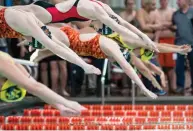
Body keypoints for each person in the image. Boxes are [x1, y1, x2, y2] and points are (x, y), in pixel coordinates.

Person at [29, 25, 191, 99]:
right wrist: (178, 49)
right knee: (67, 41)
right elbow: (156, 50)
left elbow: (147, 66)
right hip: (89, 40)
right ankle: (36, 44)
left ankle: (36, 46)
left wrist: (159, 76)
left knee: (63, 45)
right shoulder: (132, 43)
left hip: (90, 44)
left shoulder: (132, 52)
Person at [12, 0, 158, 51]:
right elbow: (121, 28)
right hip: (45, 12)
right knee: (11, 16)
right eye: (101, 29)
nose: (98, 30)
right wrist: (145, 41)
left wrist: (146, 39)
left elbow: (125, 24)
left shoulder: (105, 9)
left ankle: (27, 40)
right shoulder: (98, 12)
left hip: (51, 18)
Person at [0, 6, 101, 75]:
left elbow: (57, 45)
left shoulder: (32, 26)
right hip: (22, 16)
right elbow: (55, 47)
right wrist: (83, 65)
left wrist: (83, 64)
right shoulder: (27, 24)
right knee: (53, 42)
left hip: (21, 16)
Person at [0, 50, 86, 116]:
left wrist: (61, 107)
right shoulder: (3, 62)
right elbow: (35, 88)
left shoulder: (6, 62)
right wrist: (67, 103)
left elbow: (36, 87)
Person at [172, 0, 193, 95]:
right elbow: (173, 26)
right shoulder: (175, 14)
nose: (177, 2)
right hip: (179, 45)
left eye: (179, 0)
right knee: (179, 67)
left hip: (192, 44)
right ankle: (180, 86)